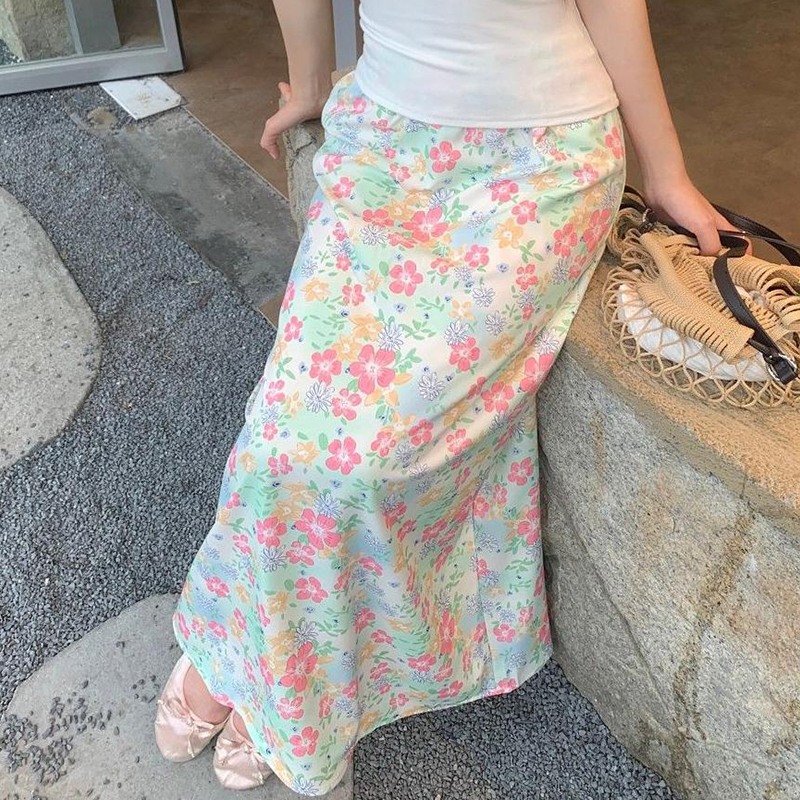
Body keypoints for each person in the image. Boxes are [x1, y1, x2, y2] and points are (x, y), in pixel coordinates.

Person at [154, 0, 734, 795]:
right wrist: (311, 84)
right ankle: (262, 667)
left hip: (540, 170)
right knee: (284, 436)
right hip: (385, 145)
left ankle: (258, 674)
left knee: (360, 460)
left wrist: (665, 173)